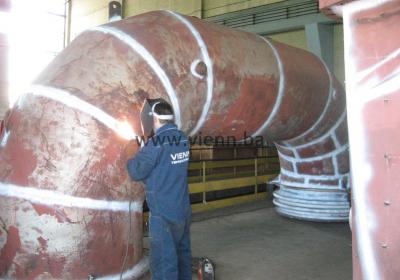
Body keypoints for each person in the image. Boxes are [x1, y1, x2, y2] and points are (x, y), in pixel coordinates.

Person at [126, 100, 192, 280]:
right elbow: (166, 165)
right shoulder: (182, 138)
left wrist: (135, 155)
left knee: (164, 263)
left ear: (153, 119)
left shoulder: (155, 144)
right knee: (182, 257)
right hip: (182, 209)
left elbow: (135, 171)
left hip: (163, 213)